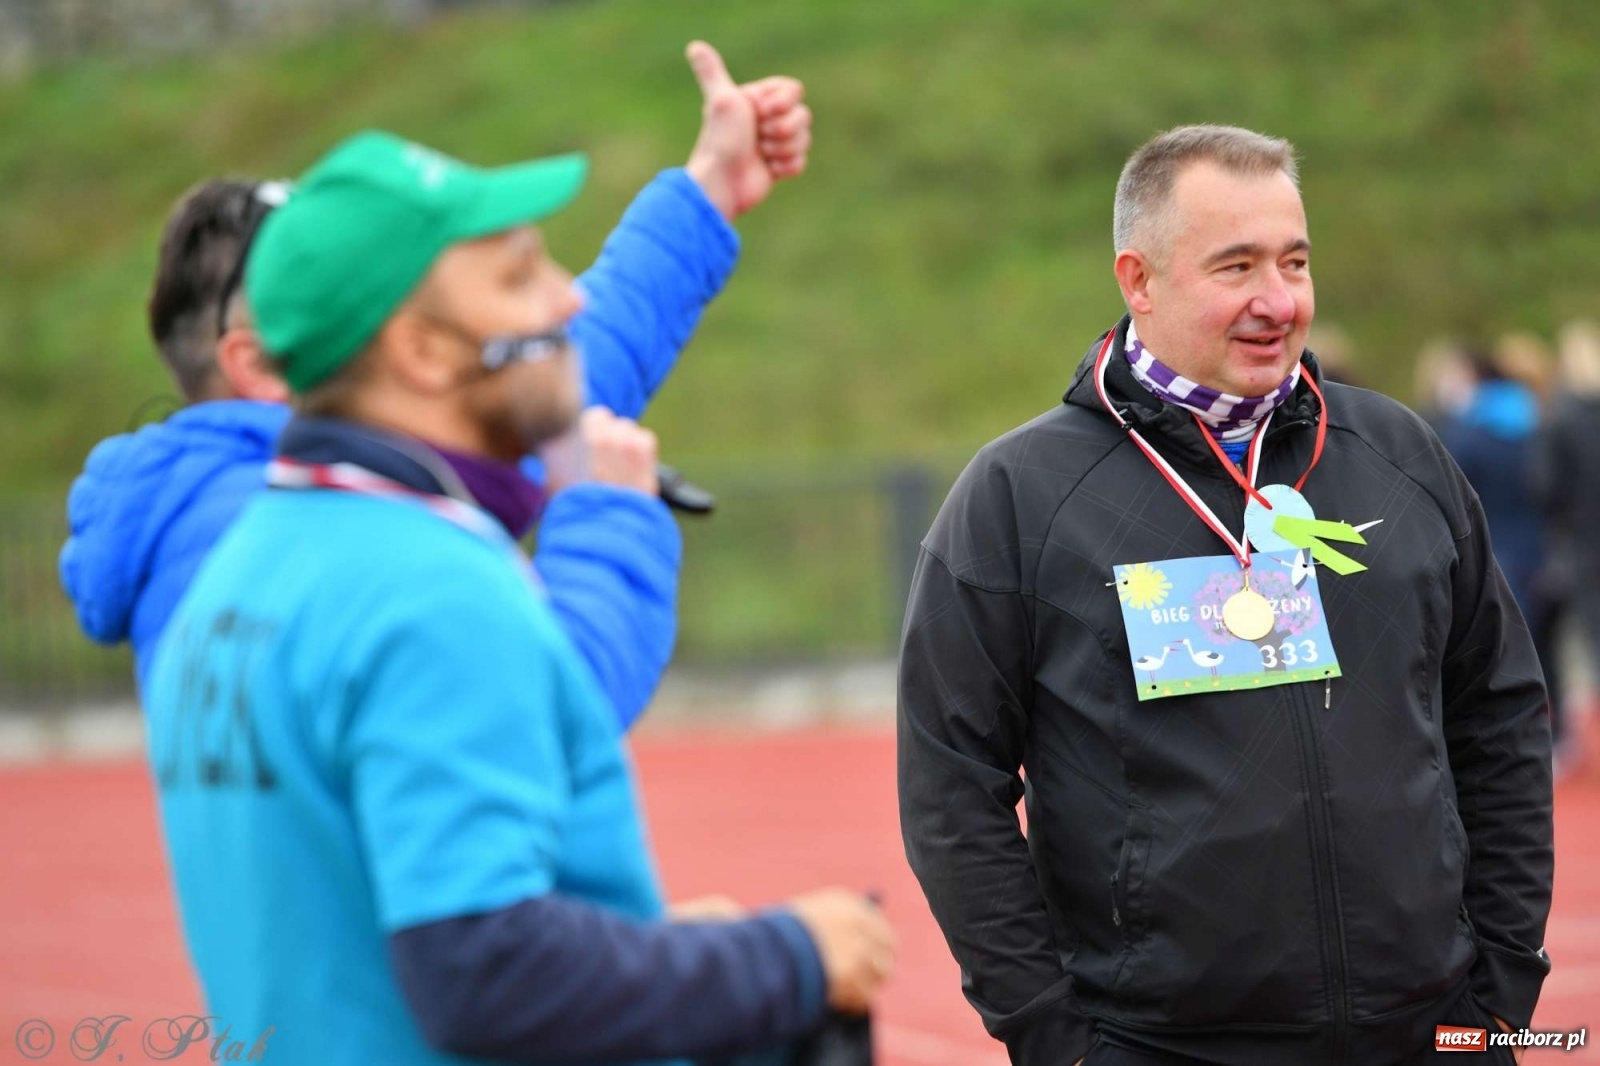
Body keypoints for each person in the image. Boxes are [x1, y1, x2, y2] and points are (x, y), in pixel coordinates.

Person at [143, 127, 894, 1065]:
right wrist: (783, 955)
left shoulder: (243, 569)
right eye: (518, 278)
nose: (567, 297)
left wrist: (655, 947)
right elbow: (484, 968)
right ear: (419, 349)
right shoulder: (426, 590)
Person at [898, 124, 1551, 1066]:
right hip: (1162, 1046)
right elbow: (949, 783)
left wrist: (1499, 990)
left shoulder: (1399, 457)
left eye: (1294, 261)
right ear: (1140, 279)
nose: (1277, 301)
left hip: (1434, 1031)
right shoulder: (1021, 498)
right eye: (1236, 266)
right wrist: (1054, 1037)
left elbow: (1498, 713)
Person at [60, 40, 812, 728]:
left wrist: (708, 189)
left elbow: (558, 363)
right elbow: (530, 732)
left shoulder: (333, 491)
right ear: (257, 364)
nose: (560, 301)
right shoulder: (284, 535)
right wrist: (609, 521)